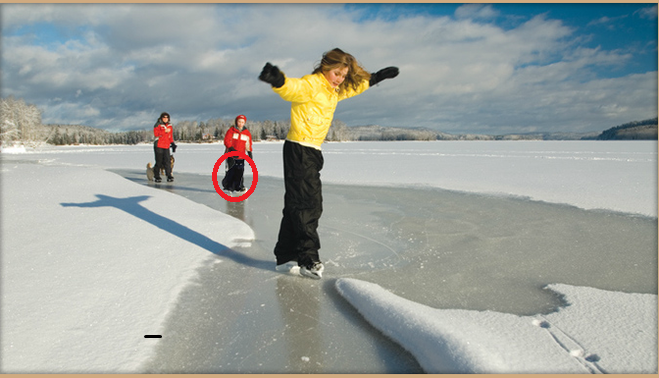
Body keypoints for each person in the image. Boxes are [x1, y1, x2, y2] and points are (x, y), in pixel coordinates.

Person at [259, 48, 399, 279]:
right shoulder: (312, 84)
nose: (340, 79)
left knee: (296, 204)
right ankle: (308, 259)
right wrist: (279, 80)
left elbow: (353, 88)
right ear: (326, 67)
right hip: (300, 149)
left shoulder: (333, 90)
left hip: (311, 150)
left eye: (344, 75)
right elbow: (293, 89)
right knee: (309, 205)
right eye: (337, 73)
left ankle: (285, 257)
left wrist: (375, 78)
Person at [222, 114, 253, 193]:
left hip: (241, 156)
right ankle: (229, 187)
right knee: (231, 171)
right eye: (239, 121)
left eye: (242, 122)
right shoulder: (231, 131)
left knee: (240, 171)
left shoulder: (247, 133)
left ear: (244, 123)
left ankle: (239, 186)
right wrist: (232, 149)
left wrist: (250, 153)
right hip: (231, 155)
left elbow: (248, 144)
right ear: (236, 122)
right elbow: (227, 141)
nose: (241, 123)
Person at [153, 112, 176, 183]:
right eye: (164, 117)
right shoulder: (158, 125)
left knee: (167, 161)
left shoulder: (169, 126)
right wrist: (164, 131)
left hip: (166, 145)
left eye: (167, 117)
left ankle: (169, 175)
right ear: (161, 118)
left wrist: (172, 143)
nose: (165, 119)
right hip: (159, 145)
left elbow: (170, 136)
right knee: (159, 161)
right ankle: (157, 175)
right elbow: (156, 134)